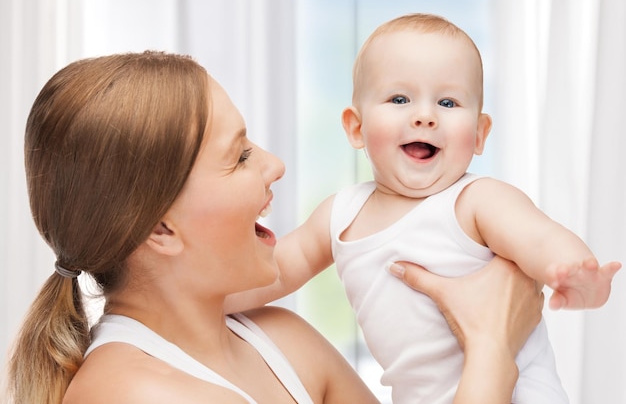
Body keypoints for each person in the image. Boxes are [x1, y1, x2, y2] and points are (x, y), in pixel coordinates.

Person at [2, 51, 544, 404]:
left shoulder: (281, 340)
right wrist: (493, 348)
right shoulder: (133, 393)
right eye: (239, 157)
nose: (274, 164)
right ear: (160, 230)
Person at [225, 14, 622, 404]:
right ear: (356, 128)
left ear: (480, 134)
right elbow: (274, 273)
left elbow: (539, 237)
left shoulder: (474, 201)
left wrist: (571, 269)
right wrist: (197, 302)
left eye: (448, 102)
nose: (425, 115)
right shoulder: (340, 215)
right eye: (400, 98)